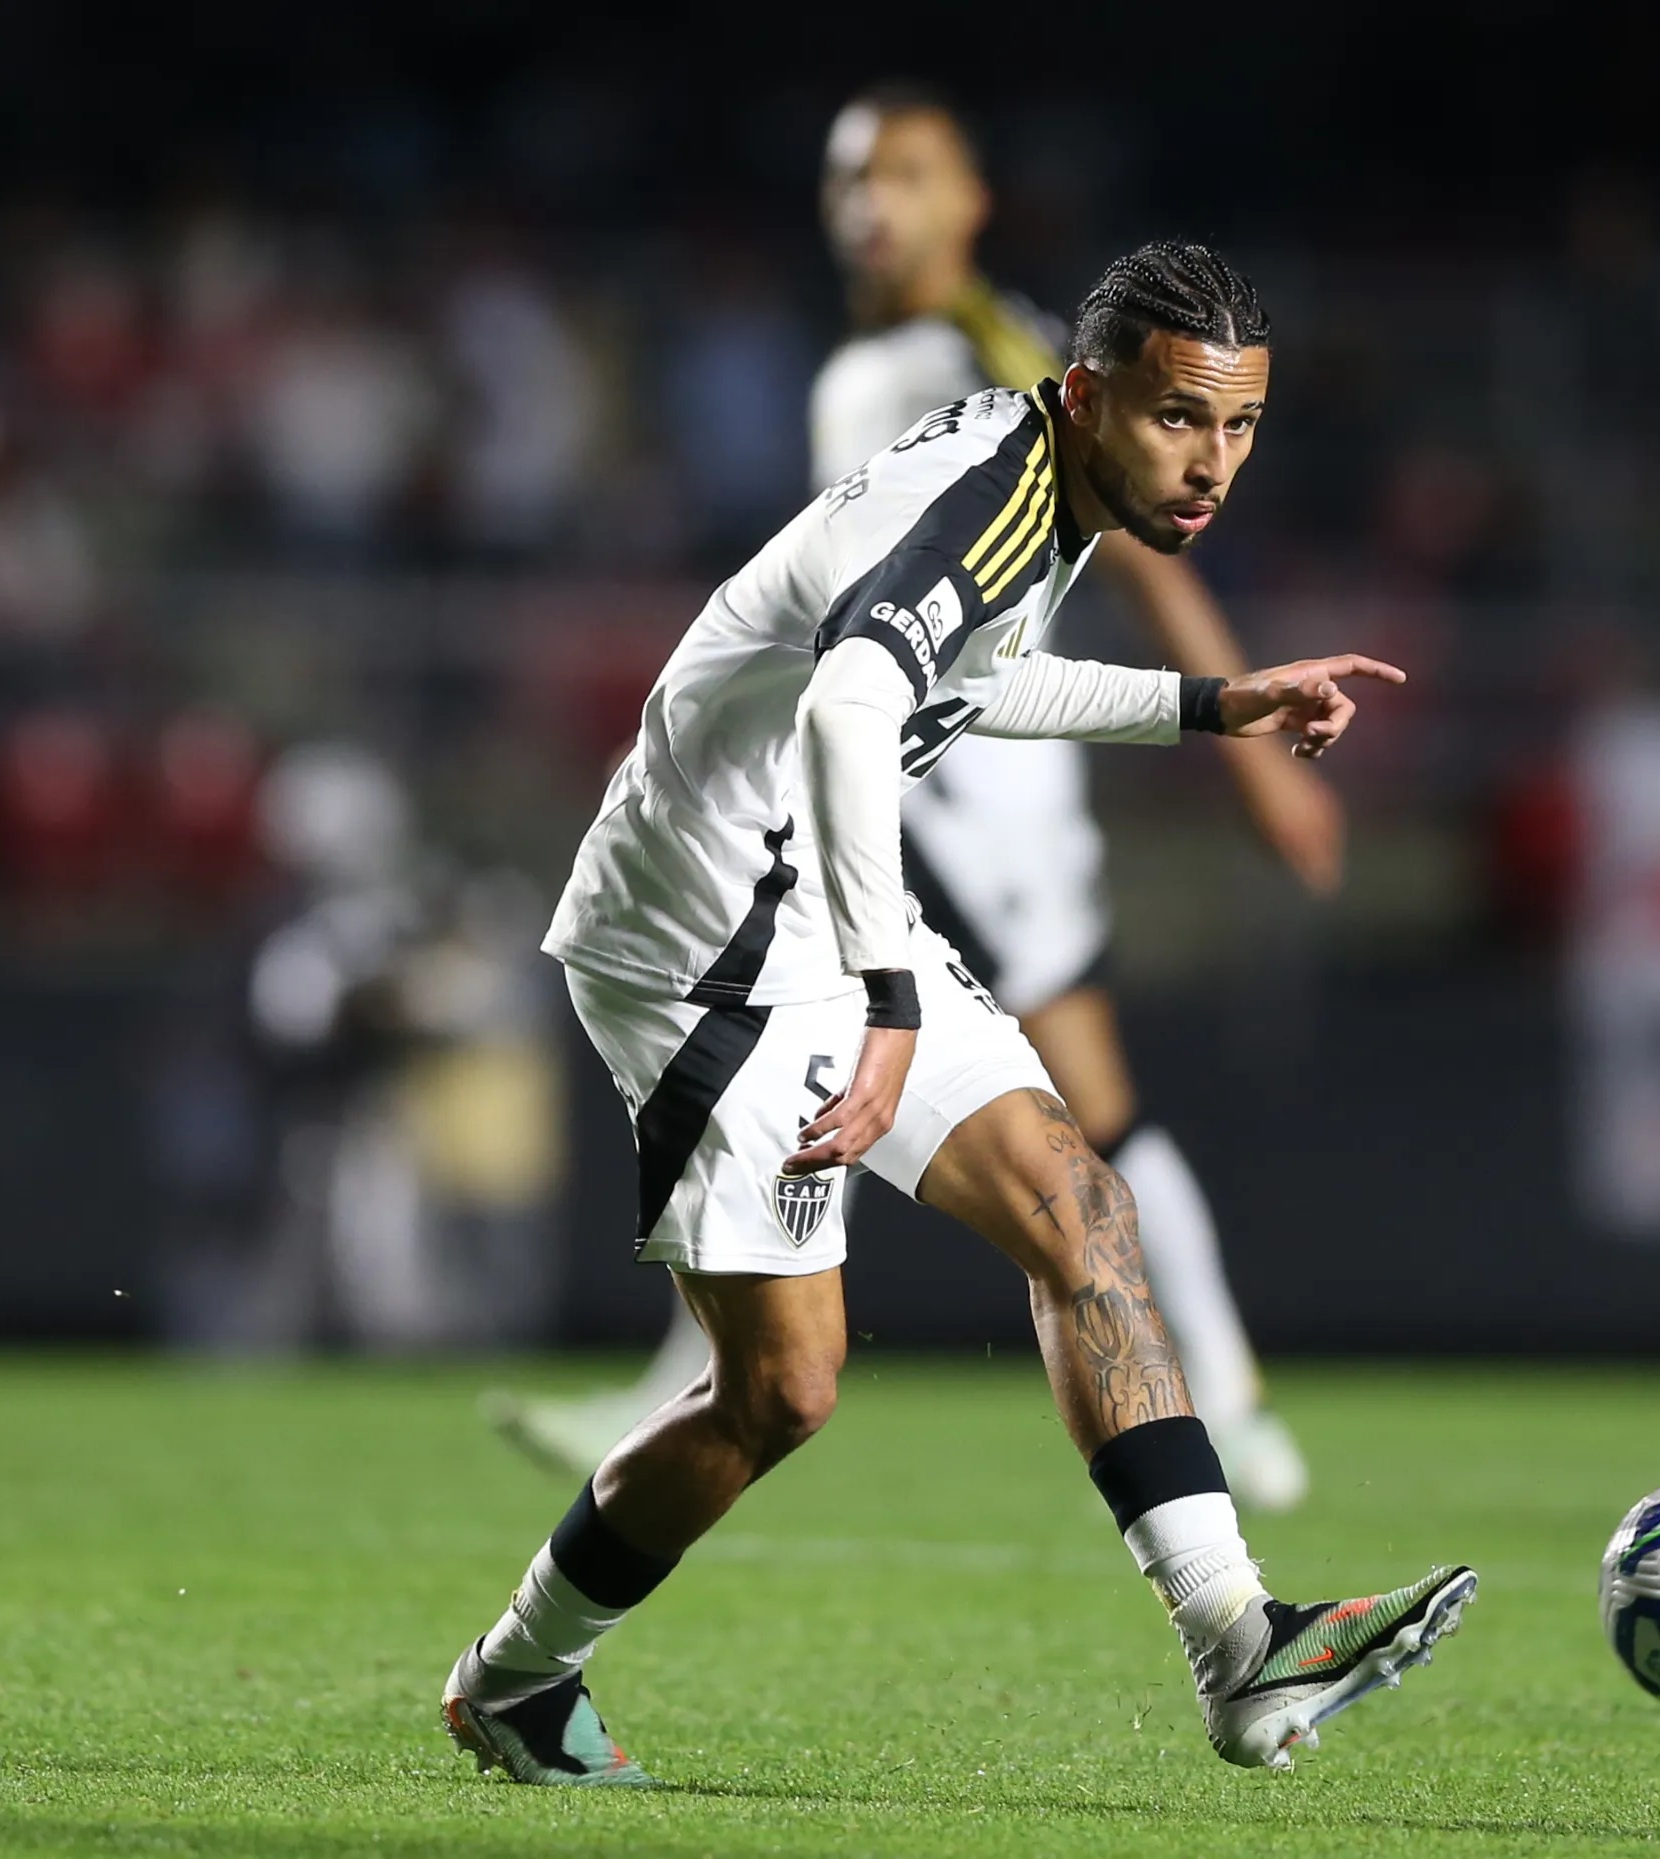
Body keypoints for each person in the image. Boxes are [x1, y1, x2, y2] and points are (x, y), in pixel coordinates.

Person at [441, 242, 1474, 1786]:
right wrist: (886, 993)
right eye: (1182, 417)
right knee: (781, 1390)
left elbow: (974, 682)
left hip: (805, 898)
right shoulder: (991, 496)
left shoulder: (1042, 478)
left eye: (1242, 426)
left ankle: (1240, 1645)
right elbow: (853, 702)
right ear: (1088, 391)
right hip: (704, 938)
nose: (1213, 465)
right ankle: (516, 1678)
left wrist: (1209, 702)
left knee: (1083, 1209)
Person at [488, 87, 1331, 1509]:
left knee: (1080, 1118)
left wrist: (1237, 737)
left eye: (909, 175)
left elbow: (1144, 549)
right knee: (902, 1090)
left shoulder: (1006, 356)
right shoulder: (877, 365)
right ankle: (698, 1392)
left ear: (971, 203)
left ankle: (1231, 1409)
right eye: (850, 177)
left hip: (973, 793)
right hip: (877, 764)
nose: (873, 203)